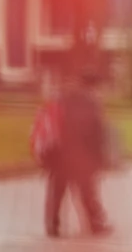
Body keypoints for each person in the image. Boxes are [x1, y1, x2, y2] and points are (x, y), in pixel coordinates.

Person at [42, 69, 112, 238]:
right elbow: (98, 133)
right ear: (93, 86)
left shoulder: (62, 98)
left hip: (60, 154)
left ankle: (52, 226)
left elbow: (49, 122)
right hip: (83, 156)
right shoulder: (92, 103)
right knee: (88, 192)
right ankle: (96, 224)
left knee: (57, 192)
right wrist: (100, 158)